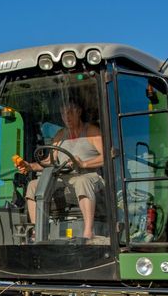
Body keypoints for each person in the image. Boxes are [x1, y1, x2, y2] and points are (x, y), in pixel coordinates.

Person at [18, 99, 104, 240]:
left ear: (79, 112)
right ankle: (37, 231)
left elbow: (107, 156)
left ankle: (88, 233)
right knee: (33, 185)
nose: (66, 116)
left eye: (70, 112)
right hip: (65, 179)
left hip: (90, 176)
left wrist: (83, 164)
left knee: (82, 181)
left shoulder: (91, 131)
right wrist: (30, 166)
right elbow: (49, 162)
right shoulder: (60, 135)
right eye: (63, 113)